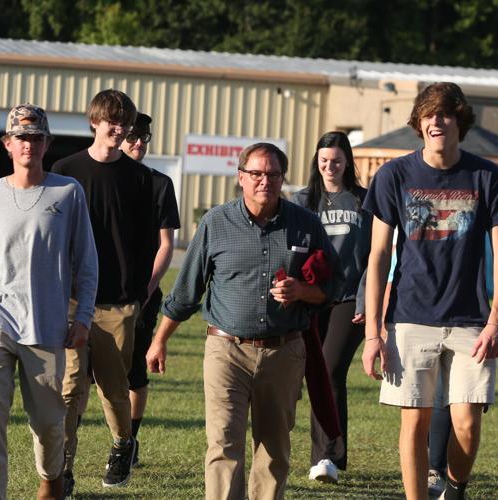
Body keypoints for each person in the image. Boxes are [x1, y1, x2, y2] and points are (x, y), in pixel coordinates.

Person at [147, 143, 344, 500]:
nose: (264, 181)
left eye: (272, 174)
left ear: (283, 178)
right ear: (241, 177)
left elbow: (333, 287)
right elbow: (186, 290)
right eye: (256, 173)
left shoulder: (306, 225)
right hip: (226, 350)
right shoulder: (216, 222)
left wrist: (302, 289)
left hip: (283, 353)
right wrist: (160, 339)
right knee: (223, 444)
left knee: (274, 451)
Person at [362, 82, 498, 500]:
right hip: (410, 318)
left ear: (459, 121)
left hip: (472, 321)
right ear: (418, 122)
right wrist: (373, 333)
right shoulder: (393, 175)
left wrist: (497, 321)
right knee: (413, 424)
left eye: (445, 113)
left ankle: (454, 488)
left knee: (468, 425)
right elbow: (378, 256)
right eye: (428, 114)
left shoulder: (486, 176)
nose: (436, 121)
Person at [0, 103, 98, 500]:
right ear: (7, 144)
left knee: (49, 423)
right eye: (21, 137)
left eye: (37, 138)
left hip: (46, 322)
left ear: (47, 143)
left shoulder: (67, 192)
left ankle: (50, 476)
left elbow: (86, 262)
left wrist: (83, 317)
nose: (29, 145)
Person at [52, 89, 155, 490]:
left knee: (114, 389)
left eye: (124, 122)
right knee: (70, 388)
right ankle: (64, 469)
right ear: (93, 122)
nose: (119, 128)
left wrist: (139, 295)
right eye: (112, 120)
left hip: (119, 301)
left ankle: (122, 443)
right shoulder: (64, 170)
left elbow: (146, 241)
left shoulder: (141, 178)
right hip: (72, 299)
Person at [292, 131, 371, 483]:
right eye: (323, 160)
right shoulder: (302, 200)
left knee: (329, 367)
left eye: (336, 161)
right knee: (310, 373)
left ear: (348, 162)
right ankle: (322, 456)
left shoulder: (364, 201)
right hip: (311, 297)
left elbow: (378, 253)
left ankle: (329, 457)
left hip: (349, 296)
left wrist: (371, 297)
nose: (329, 167)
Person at [426, 236, 498, 497]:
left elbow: (496, 288)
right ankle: (434, 470)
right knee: (439, 397)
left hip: (474, 328)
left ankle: (452, 484)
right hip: (427, 320)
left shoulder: (486, 233)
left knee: (467, 412)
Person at [118, 112, 180, 467]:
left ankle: (129, 443)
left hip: (143, 292)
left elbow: (166, 244)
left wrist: (147, 289)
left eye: (145, 137)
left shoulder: (160, 184)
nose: (139, 143)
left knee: (135, 370)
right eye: (133, 137)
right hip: (100, 292)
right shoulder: (100, 179)